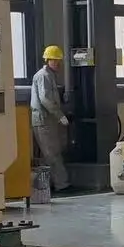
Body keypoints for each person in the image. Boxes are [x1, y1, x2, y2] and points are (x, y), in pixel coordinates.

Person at [31, 45, 70, 192]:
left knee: (51, 152)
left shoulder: (49, 75)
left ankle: (49, 185)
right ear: (47, 60)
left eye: (59, 60)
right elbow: (45, 99)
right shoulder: (44, 76)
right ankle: (61, 184)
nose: (58, 63)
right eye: (55, 60)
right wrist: (60, 115)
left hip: (47, 119)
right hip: (44, 120)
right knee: (51, 153)